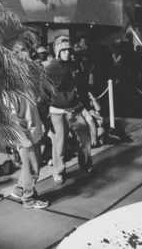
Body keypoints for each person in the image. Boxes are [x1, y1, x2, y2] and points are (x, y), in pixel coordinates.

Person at [43, 36, 93, 184]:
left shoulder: (75, 66)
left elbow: (82, 88)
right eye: (63, 50)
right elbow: (44, 93)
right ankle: (58, 171)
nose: (67, 53)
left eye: (68, 50)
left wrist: (87, 107)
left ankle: (86, 164)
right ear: (57, 52)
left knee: (85, 139)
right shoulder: (49, 69)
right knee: (59, 145)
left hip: (75, 110)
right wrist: (44, 115)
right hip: (57, 112)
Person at [8, 41, 49, 209]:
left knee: (30, 166)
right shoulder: (12, 90)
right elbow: (13, 118)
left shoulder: (26, 85)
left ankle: (19, 190)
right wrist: (24, 138)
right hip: (26, 137)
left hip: (33, 133)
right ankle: (29, 199)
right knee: (32, 169)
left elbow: (32, 109)